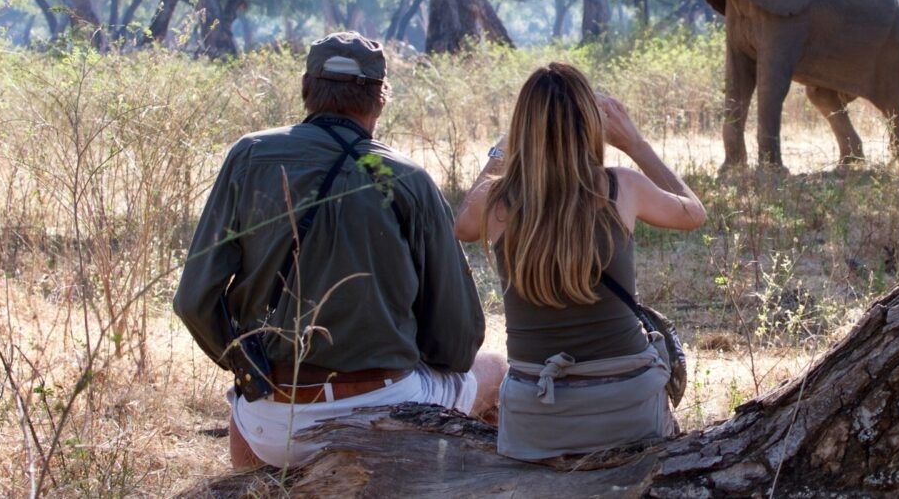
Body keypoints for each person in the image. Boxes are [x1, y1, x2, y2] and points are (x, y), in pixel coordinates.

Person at [174, 32, 504, 468]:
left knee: (242, 407)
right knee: (496, 369)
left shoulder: (249, 155)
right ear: (380, 99)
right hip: (389, 412)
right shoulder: (408, 179)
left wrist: (250, 369)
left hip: (274, 425)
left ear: (306, 89)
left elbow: (193, 302)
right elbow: (458, 344)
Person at [454, 62, 706, 460]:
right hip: (629, 410)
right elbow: (694, 213)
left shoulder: (497, 199)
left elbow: (462, 226)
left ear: (523, 127)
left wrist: (505, 147)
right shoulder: (621, 186)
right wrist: (636, 144)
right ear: (591, 124)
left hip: (536, 415)